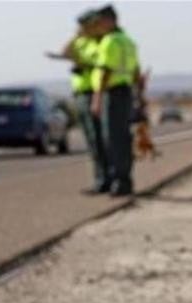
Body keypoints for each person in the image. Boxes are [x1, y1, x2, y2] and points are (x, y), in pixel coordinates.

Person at [46, 9, 110, 194]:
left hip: (94, 92)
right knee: (92, 140)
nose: (81, 29)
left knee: (99, 139)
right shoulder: (81, 41)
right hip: (81, 93)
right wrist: (76, 36)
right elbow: (65, 52)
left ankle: (105, 179)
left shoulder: (98, 43)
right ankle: (101, 178)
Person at [90, 5, 142, 196]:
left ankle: (119, 181)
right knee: (123, 137)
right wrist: (138, 96)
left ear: (109, 21)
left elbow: (105, 71)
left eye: (100, 22)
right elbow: (136, 72)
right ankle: (124, 179)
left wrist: (96, 99)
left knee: (112, 139)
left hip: (112, 93)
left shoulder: (110, 42)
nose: (98, 26)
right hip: (125, 93)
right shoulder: (128, 41)